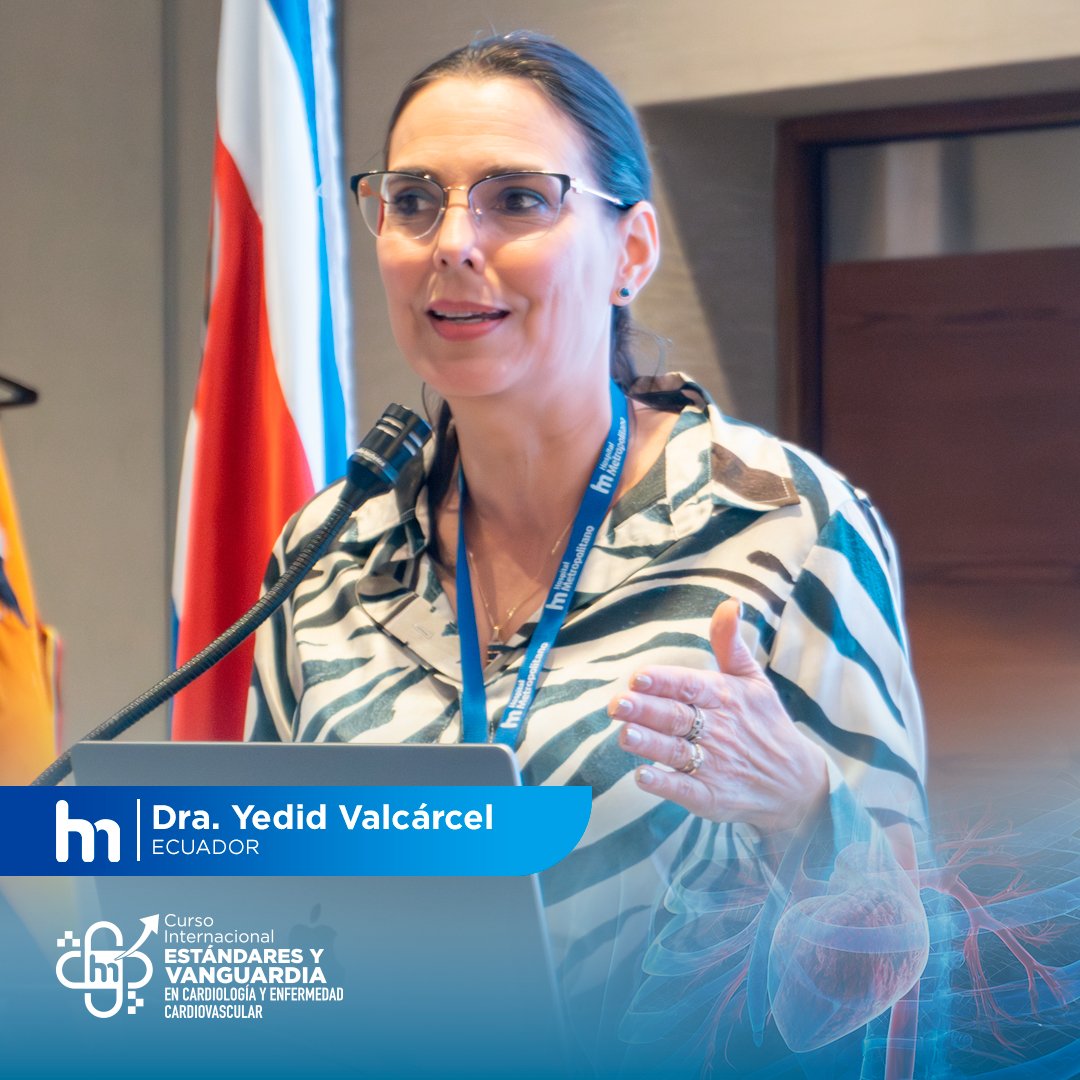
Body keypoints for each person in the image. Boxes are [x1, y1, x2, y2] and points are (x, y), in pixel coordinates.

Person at [246, 31, 928, 1076]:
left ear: (632, 252)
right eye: (415, 200)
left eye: (518, 199)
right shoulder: (327, 549)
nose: (452, 242)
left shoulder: (787, 522)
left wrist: (804, 806)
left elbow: (907, 971)